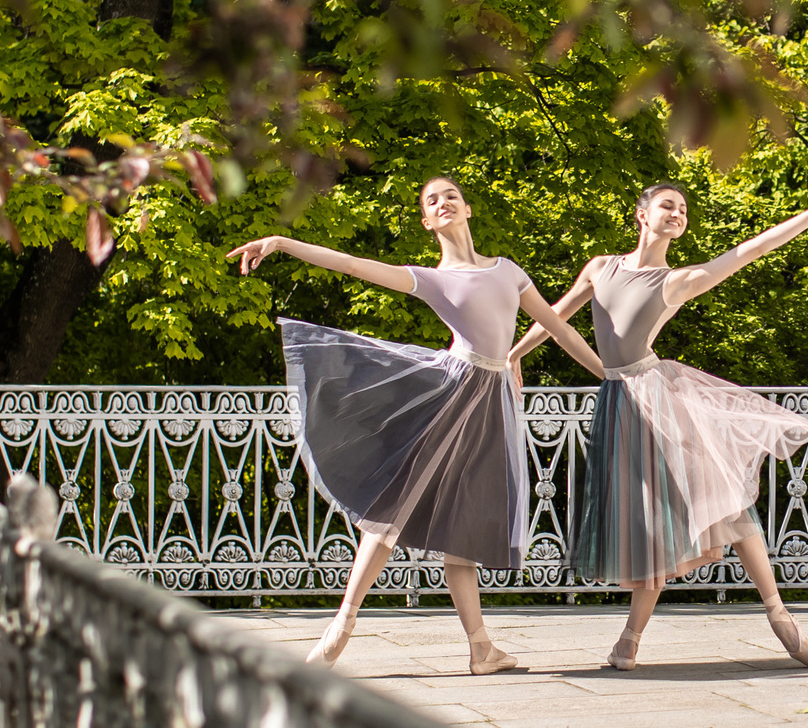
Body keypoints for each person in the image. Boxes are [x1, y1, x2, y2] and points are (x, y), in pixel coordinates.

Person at [229, 175, 606, 673]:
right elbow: (352, 265)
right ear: (427, 222)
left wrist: (611, 375)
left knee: (464, 523)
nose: (443, 202)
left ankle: (481, 649)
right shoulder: (435, 278)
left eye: (451, 195)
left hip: (492, 402)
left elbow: (557, 328)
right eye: (432, 201)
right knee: (396, 504)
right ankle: (342, 624)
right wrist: (282, 242)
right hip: (452, 392)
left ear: (467, 209)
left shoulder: (508, 271)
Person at [511, 183, 808, 670]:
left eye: (683, 209)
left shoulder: (675, 281)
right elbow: (554, 317)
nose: (677, 214)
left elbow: (748, 251)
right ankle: (629, 640)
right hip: (619, 403)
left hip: (660, 401)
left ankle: (777, 613)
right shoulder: (600, 267)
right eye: (667, 205)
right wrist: (513, 356)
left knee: (723, 500)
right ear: (641, 214)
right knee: (649, 524)